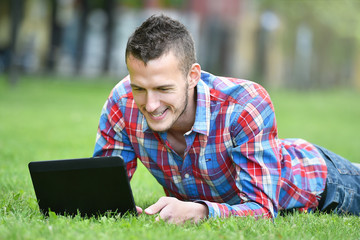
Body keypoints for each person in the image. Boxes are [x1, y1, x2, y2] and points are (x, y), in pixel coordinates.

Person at [93, 14, 360, 224]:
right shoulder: (123, 101)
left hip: (326, 184)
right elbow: (101, 189)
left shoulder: (245, 104)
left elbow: (263, 209)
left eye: (164, 89)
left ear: (192, 76)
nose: (150, 105)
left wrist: (199, 212)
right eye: (140, 88)